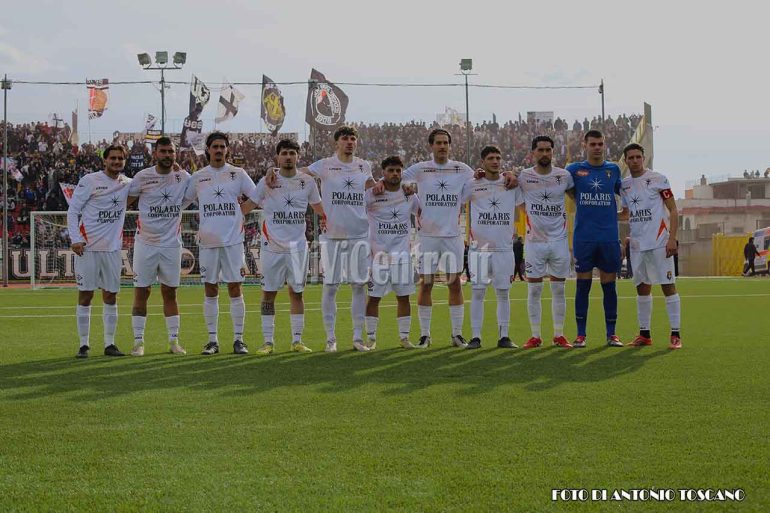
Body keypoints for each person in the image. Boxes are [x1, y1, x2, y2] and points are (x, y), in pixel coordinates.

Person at [267, 126, 376, 352]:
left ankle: (357, 337)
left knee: (358, 287)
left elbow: (373, 188)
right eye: (345, 138)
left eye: (353, 139)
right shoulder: (324, 164)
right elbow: (296, 171)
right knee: (331, 286)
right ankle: (331, 339)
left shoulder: (364, 165)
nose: (349, 142)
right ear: (336, 143)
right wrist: (273, 169)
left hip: (360, 235)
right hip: (332, 236)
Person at [389, 129, 474, 349]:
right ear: (431, 146)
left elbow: (479, 181)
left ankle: (456, 334)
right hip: (427, 237)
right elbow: (396, 179)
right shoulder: (420, 169)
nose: (442, 146)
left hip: (453, 236)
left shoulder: (462, 169)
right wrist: (404, 185)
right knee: (425, 285)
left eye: (446, 142)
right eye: (438, 143)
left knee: (455, 284)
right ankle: (425, 335)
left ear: (450, 145)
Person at [241, 139, 324, 355]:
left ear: (298, 156)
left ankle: (297, 340)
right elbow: (248, 206)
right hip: (271, 247)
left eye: (292, 153)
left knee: (297, 293)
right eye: (284, 153)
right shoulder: (267, 181)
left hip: (298, 248)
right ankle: (268, 342)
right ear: (278, 157)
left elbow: (319, 209)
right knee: (268, 294)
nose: (288, 156)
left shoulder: (308, 182)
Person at [182, 132, 256, 355]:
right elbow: (183, 202)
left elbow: (256, 196)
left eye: (222, 146)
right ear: (208, 150)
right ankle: (212, 341)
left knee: (235, 287)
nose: (218, 150)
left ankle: (238, 339)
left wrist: (241, 211)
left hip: (233, 242)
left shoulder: (238, 173)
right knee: (210, 289)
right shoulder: (198, 177)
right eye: (215, 146)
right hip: (208, 243)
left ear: (227, 150)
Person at [67, 144, 132, 358]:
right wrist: (76, 239)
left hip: (112, 250)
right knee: (85, 295)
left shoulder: (127, 184)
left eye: (120, 158)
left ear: (124, 161)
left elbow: (154, 183)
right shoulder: (90, 180)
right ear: (105, 160)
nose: (116, 162)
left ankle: (109, 344)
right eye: (112, 158)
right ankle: (83, 344)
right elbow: (73, 210)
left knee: (111, 296)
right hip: (88, 248)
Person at [126, 137, 189, 356]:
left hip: (172, 245)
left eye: (170, 151)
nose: (167, 155)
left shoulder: (184, 178)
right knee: (141, 292)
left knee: (170, 293)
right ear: (155, 153)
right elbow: (125, 202)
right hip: (145, 243)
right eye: (163, 151)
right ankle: (138, 342)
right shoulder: (142, 177)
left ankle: (174, 342)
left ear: (175, 154)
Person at [619, 143, 682, 349]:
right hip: (637, 245)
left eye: (638, 157)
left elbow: (673, 210)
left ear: (643, 158)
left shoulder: (659, 179)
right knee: (642, 288)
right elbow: (627, 213)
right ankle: (644, 334)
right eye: (631, 158)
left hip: (659, 242)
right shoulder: (625, 185)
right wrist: (607, 216)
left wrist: (672, 238)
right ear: (626, 160)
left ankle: (675, 334)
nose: (635, 160)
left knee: (668, 286)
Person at [566, 130, 624, 347]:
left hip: (609, 237)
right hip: (584, 238)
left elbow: (625, 193)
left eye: (601, 143)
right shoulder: (574, 170)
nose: (597, 147)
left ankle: (612, 334)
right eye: (593, 144)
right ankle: (581, 335)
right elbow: (569, 191)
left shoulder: (613, 169)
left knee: (609, 286)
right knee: (583, 285)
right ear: (585, 145)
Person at [462, 145, 523, 349]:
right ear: (483, 162)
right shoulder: (472, 184)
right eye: (490, 158)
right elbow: (456, 204)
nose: (495, 161)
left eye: (498, 157)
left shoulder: (511, 184)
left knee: (503, 293)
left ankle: (504, 336)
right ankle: (476, 337)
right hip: (479, 250)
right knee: (478, 293)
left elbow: (524, 207)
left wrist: (513, 174)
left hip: (504, 250)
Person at [517, 136, 574, 349]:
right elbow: (512, 189)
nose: (544, 154)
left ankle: (559, 335)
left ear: (553, 152)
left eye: (548, 150)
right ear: (533, 153)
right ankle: (535, 336)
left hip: (559, 242)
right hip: (534, 243)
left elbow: (578, 197)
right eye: (540, 150)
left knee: (559, 290)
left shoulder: (564, 176)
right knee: (534, 291)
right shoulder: (524, 176)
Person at [364, 156, 419, 350]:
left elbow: (421, 213)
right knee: (374, 298)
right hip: (378, 258)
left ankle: (404, 338)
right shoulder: (371, 194)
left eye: (398, 171)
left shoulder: (409, 195)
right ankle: (371, 338)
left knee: (404, 297)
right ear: (383, 173)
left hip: (402, 257)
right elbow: (358, 214)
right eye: (391, 171)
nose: (395, 174)